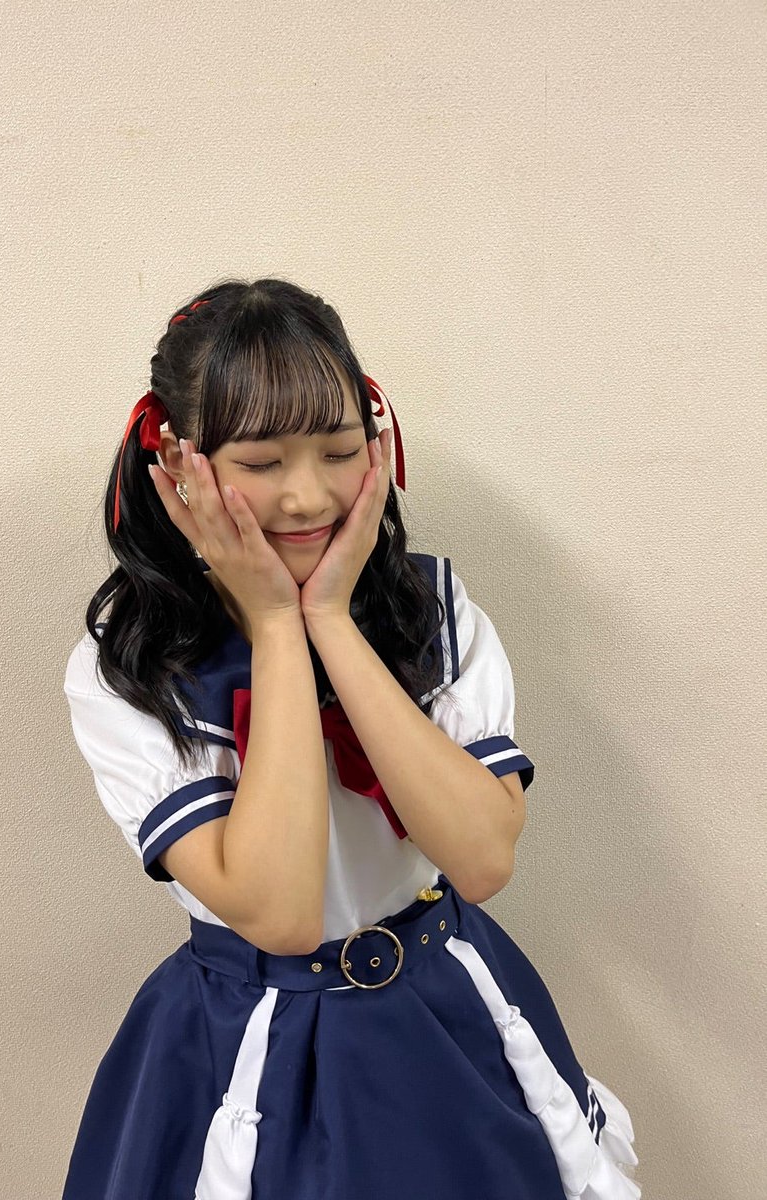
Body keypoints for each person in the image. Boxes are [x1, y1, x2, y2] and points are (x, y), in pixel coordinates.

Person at [61, 277, 640, 1199]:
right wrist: (274, 626)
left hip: (445, 1023)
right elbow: (282, 915)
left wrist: (327, 617)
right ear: (176, 464)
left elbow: (483, 860)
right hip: (239, 1050)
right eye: (261, 462)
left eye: (339, 451)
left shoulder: (432, 610)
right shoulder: (129, 668)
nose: (308, 496)